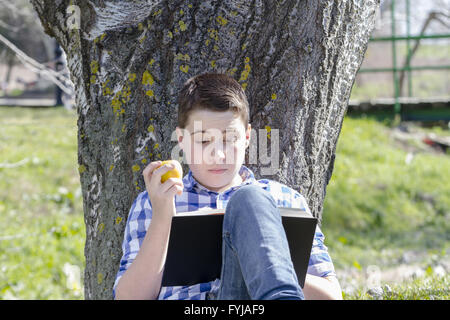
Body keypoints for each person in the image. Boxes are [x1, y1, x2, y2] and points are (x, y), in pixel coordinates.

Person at [113, 73, 342, 300]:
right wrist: (163, 217)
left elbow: (332, 297)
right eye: (203, 140)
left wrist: (264, 264)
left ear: (247, 137)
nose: (218, 154)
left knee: (249, 199)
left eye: (230, 138)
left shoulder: (283, 198)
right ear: (181, 140)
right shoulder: (154, 200)